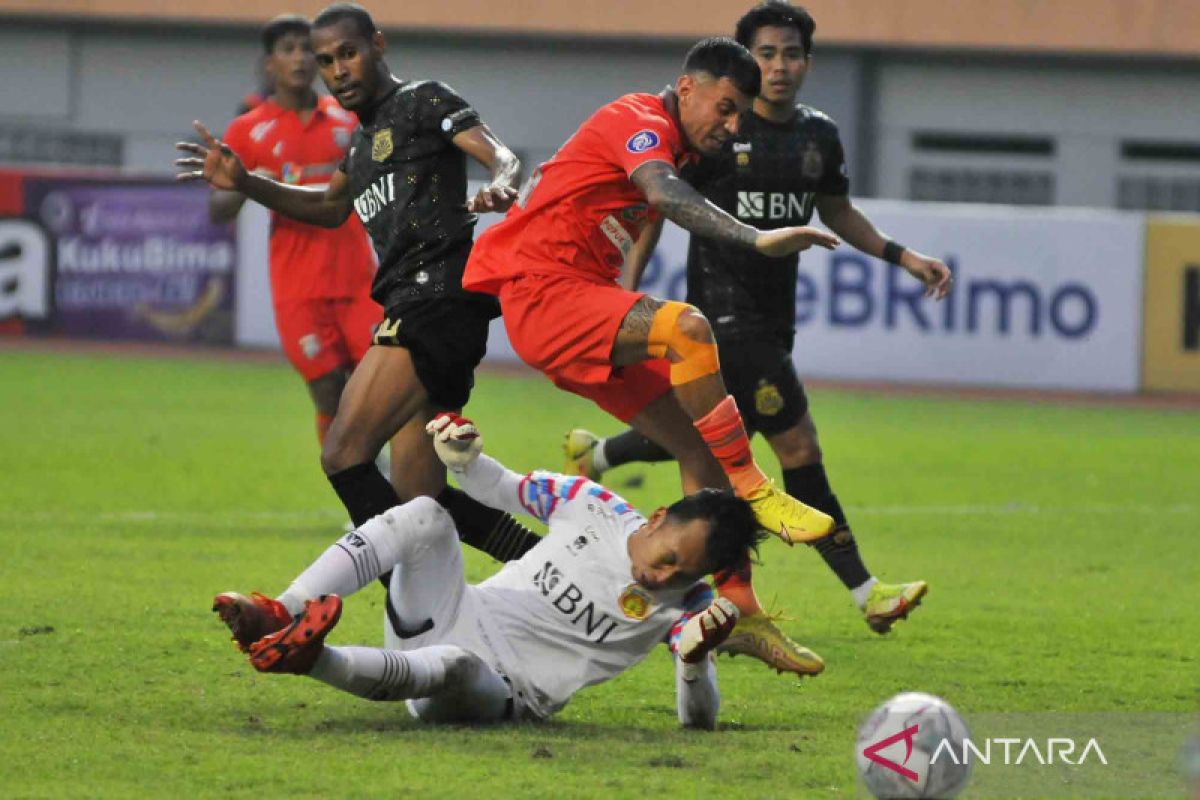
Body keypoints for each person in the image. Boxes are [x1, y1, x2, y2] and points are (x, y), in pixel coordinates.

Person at [564, 2, 950, 636]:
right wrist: (626, 292)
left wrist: (902, 256)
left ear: (807, 62)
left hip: (774, 318)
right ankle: (864, 591)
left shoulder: (818, 135)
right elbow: (657, 206)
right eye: (766, 54)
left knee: (714, 433)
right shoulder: (719, 132)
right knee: (796, 446)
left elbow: (838, 210)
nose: (779, 66)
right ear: (746, 63)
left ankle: (603, 458)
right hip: (719, 317)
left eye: (791, 53)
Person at [460, 36, 839, 676]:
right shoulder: (637, 118)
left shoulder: (677, 147)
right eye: (723, 107)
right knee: (688, 328)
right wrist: (756, 238)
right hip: (543, 294)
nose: (730, 124)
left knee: (698, 447)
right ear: (687, 87)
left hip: (579, 298)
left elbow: (646, 211)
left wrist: (624, 295)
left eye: (739, 116)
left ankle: (739, 610)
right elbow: (659, 196)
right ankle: (755, 485)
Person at [176, 3, 540, 563]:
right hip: (426, 305)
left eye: (347, 53)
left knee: (344, 452)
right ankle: (547, 567)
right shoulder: (363, 141)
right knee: (421, 496)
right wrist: (248, 182)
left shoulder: (422, 100)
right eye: (327, 61)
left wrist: (501, 184)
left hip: (434, 298)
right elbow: (327, 205)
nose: (336, 69)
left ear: (378, 45)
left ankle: (405, 590)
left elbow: (501, 155)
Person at [213, 412, 762, 727]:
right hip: (449, 612)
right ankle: (279, 612)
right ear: (659, 517)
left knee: (453, 662)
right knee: (426, 514)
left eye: (684, 575)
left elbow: (698, 720)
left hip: (497, 691)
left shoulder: (689, 606)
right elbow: (500, 488)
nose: (663, 579)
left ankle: (311, 658)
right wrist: (465, 456)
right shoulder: (590, 502)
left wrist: (694, 660)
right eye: (669, 559)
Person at [211, 15, 381, 452]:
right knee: (327, 393)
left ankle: (384, 486)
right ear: (270, 64)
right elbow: (218, 209)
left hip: (357, 280)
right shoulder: (248, 130)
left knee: (379, 388)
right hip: (298, 287)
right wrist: (244, 182)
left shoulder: (348, 119)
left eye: (308, 50)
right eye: (288, 49)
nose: (301, 58)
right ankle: (358, 481)